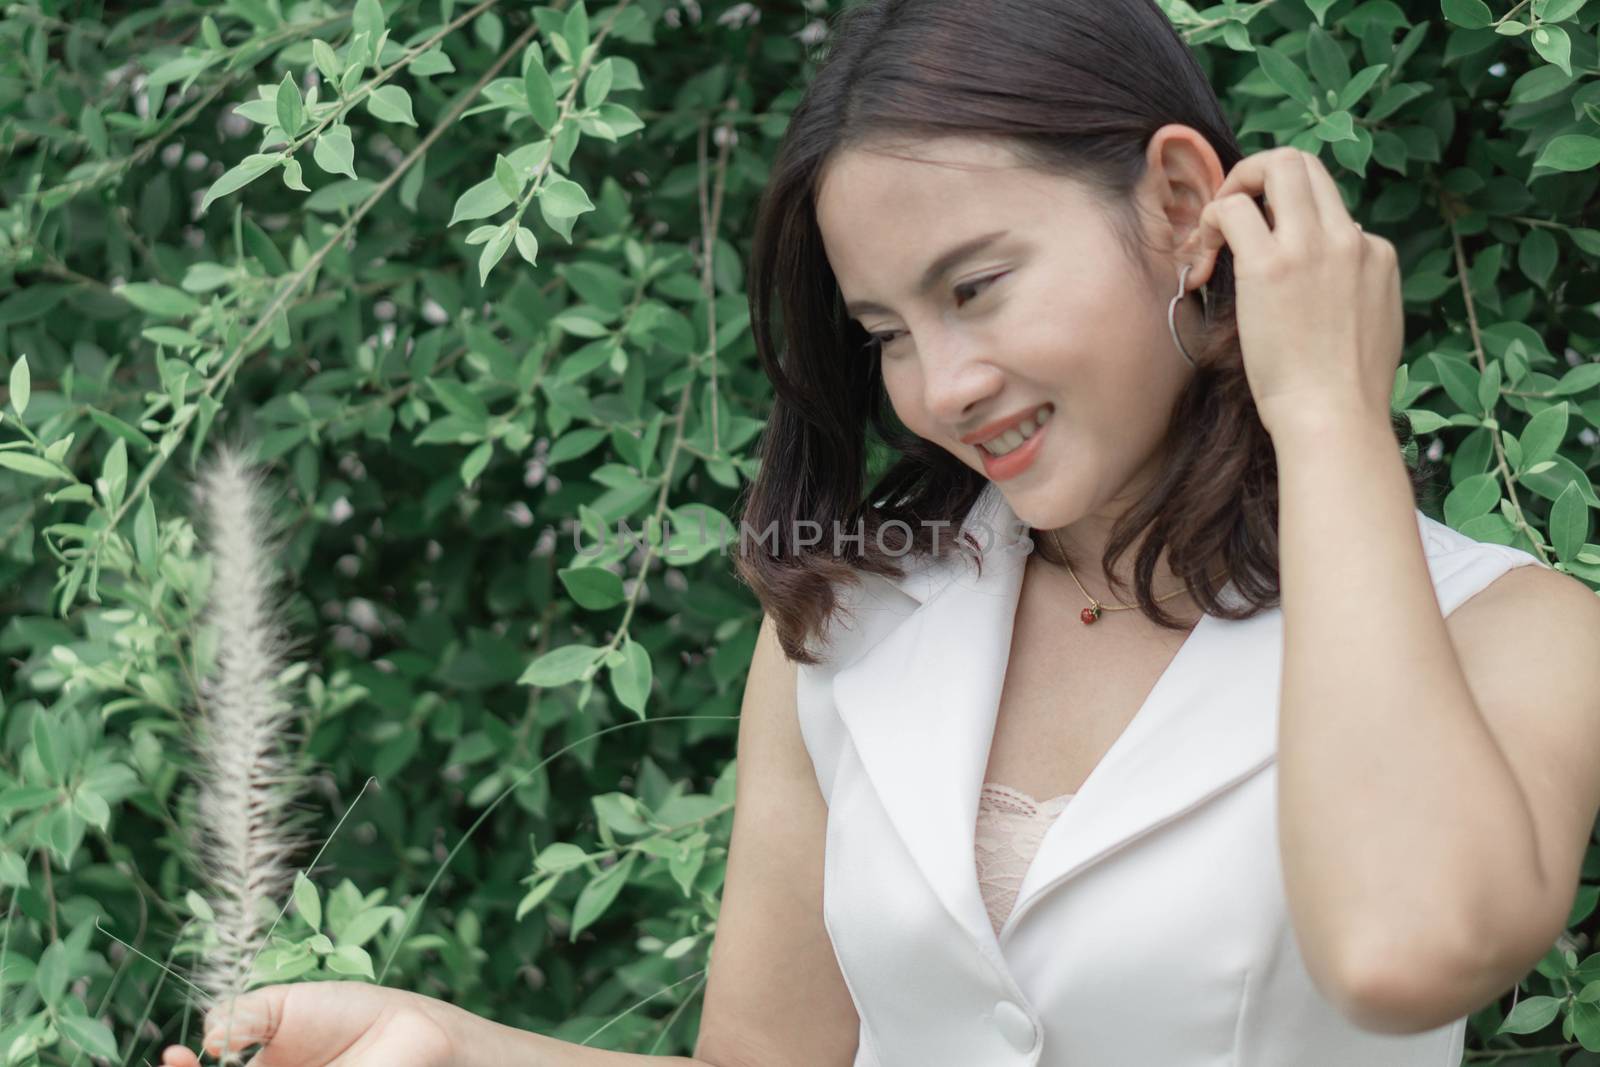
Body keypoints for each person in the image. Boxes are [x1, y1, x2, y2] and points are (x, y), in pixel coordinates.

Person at [162, 0, 1600, 1064]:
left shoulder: (1521, 633)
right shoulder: (847, 630)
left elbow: (1404, 951)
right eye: (885, 333)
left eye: (975, 287)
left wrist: (1329, 409)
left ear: (1179, 204)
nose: (941, 388)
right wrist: (454, 1048)